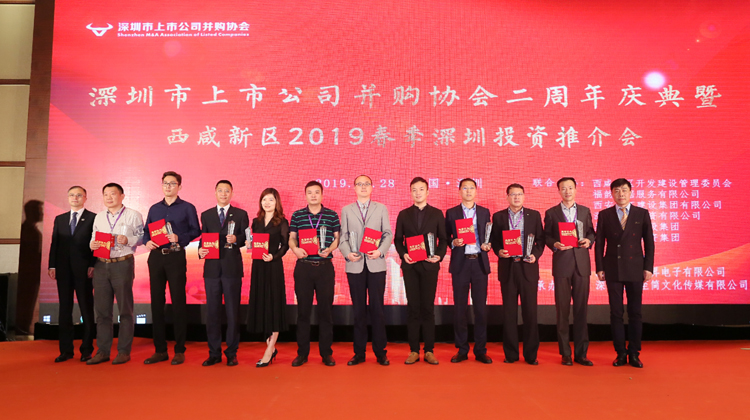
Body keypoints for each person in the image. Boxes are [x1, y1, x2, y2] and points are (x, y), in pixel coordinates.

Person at [142, 171, 201, 365]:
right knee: (156, 303)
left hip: (175, 256)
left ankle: (180, 349)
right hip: (156, 257)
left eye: (172, 183)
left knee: (178, 302)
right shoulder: (154, 208)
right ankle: (160, 350)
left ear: (179, 186)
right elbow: (146, 231)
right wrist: (147, 241)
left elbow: (196, 230)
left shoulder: (187, 207)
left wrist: (179, 238)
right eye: (165, 183)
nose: (168, 186)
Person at [595, 178, 654, 368]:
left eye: (624, 190)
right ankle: (620, 353)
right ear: (612, 193)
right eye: (617, 191)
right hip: (613, 268)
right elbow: (599, 243)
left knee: (635, 312)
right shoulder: (605, 215)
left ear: (630, 192)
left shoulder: (641, 213)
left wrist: (648, 267)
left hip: (635, 268)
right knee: (616, 313)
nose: (621, 194)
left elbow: (649, 242)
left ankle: (634, 353)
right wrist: (600, 267)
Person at [86, 183, 144, 365]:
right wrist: (92, 244)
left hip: (122, 264)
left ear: (122, 196)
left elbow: (143, 237)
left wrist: (129, 239)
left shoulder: (133, 215)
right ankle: (103, 351)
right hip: (101, 265)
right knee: (102, 312)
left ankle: (124, 351)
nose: (109, 197)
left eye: (113, 193)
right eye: (106, 194)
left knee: (125, 310)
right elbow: (93, 237)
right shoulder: (99, 217)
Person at [338, 175, 393, 366]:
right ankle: (359, 353)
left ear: (372, 187)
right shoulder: (346, 210)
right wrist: (347, 253)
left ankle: (380, 352)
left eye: (366, 184)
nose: (363, 187)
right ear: (354, 188)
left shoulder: (381, 208)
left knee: (378, 310)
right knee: (359, 310)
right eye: (359, 184)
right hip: (355, 265)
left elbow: (388, 234)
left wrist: (380, 251)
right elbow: (343, 237)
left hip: (376, 263)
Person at [394, 177, 447, 365]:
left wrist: (438, 255)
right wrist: (403, 254)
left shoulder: (437, 213)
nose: (418, 193)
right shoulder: (403, 214)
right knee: (413, 308)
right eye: (414, 190)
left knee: (428, 308)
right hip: (410, 266)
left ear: (428, 192)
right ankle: (414, 350)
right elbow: (398, 239)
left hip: (429, 265)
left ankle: (429, 350)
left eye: (421, 189)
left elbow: (443, 239)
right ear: (410, 192)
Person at [490, 183, 545, 365]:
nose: (516, 197)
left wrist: (535, 255)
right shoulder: (498, 216)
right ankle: (511, 354)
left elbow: (540, 240)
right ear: (507, 197)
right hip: (508, 267)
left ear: (524, 196)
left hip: (527, 267)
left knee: (530, 313)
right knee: (509, 313)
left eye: (519, 194)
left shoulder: (534, 215)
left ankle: (531, 355)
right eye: (513, 194)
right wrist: (499, 251)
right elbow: (495, 240)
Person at [543, 177, 595, 366]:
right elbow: (546, 236)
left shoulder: (585, 211)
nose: (567, 191)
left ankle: (581, 353)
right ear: (558, 191)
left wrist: (589, 241)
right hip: (562, 264)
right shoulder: (551, 213)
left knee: (581, 310)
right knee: (562, 310)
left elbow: (591, 232)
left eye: (570, 188)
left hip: (582, 265)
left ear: (576, 189)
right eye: (563, 188)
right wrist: (554, 244)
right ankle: (565, 352)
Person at [288, 181, 340, 367]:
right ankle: (302, 353)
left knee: (326, 312)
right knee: (303, 312)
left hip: (325, 267)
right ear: (305, 195)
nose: (313, 195)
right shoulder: (297, 215)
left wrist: (330, 249)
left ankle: (326, 353)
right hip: (304, 267)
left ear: (322, 195)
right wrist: (295, 249)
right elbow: (292, 238)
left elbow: (337, 238)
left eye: (316, 192)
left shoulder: (332, 215)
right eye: (309, 192)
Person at [197, 180, 249, 367]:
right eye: (220, 190)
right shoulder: (206, 215)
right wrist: (200, 250)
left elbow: (247, 238)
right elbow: (204, 238)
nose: (223, 194)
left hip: (232, 268)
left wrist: (237, 239)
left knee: (232, 312)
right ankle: (214, 353)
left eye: (227, 191)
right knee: (212, 312)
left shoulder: (241, 214)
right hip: (211, 270)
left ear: (231, 193)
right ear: (215, 192)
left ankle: (232, 353)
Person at [444, 178, 492, 364]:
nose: (469, 191)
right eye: (465, 188)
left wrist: (488, 245)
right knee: (460, 309)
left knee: (480, 309)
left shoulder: (484, 212)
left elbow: (489, 235)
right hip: (461, 263)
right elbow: (445, 237)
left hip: (479, 263)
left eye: (472, 188)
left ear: (476, 191)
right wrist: (453, 242)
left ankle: (480, 350)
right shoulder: (452, 213)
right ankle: (462, 349)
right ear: (459, 191)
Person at [48, 186, 96, 363]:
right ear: (68, 198)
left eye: (78, 195)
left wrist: (93, 264)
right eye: (71, 195)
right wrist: (52, 265)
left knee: (86, 309)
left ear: (85, 198)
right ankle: (66, 350)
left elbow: (96, 244)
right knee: (64, 309)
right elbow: (55, 243)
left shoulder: (93, 218)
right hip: (63, 270)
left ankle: (86, 349)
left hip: (84, 270)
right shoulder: (60, 219)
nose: (75, 198)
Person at [246, 188, 289, 367]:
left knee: (274, 305)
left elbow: (285, 245)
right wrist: (249, 244)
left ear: (276, 202)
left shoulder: (282, 222)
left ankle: (269, 350)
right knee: (261, 304)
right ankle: (269, 346)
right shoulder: (255, 222)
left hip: (273, 266)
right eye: (264, 199)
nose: (267, 203)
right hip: (258, 267)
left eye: (271, 199)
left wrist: (274, 256)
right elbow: (254, 242)